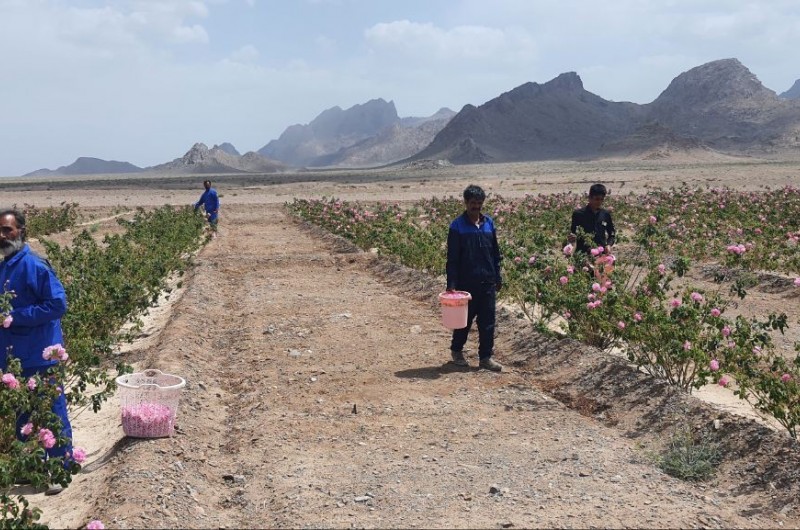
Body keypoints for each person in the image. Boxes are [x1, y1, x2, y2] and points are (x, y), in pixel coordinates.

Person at [0, 209, 72, 495]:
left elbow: (57, 305)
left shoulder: (35, 265)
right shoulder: (4, 267)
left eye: (8, 230)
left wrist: (15, 315)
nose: (3, 236)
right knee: (22, 416)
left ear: (22, 231)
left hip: (42, 355)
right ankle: (30, 469)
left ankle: (59, 469)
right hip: (15, 359)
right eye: (0, 231)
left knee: (52, 411)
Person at [445, 185, 503, 372]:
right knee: (464, 321)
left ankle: (486, 357)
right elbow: (452, 258)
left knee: (488, 322)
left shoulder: (489, 223)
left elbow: (495, 253)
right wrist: (452, 285)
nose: (476, 207)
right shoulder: (457, 226)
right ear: (466, 203)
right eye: (472, 203)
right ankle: (456, 350)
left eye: (479, 203)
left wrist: (497, 275)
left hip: (487, 280)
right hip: (465, 283)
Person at [568, 183, 616, 255]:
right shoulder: (578, 214)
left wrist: (609, 245)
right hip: (582, 254)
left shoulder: (605, 214)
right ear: (589, 198)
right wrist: (571, 238)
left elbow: (612, 234)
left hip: (601, 252)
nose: (599, 202)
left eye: (601, 199)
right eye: (596, 199)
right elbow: (573, 233)